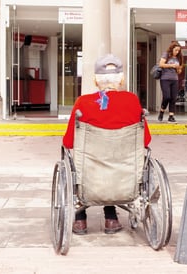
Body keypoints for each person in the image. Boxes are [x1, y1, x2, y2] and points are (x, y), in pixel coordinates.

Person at [63, 54, 152, 235]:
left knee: (86, 164)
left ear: (96, 81)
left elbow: (68, 141)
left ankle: (80, 221)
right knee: (113, 165)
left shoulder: (83, 103)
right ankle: (111, 218)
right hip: (124, 175)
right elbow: (146, 140)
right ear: (121, 80)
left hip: (90, 175)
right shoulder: (132, 101)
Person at [157, 41, 183, 123]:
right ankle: (162, 111)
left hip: (175, 79)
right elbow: (161, 64)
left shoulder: (179, 58)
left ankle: (171, 116)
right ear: (172, 49)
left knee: (173, 98)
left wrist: (178, 68)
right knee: (167, 97)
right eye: (176, 50)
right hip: (165, 79)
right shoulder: (166, 54)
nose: (177, 52)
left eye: (178, 50)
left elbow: (179, 71)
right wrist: (171, 65)